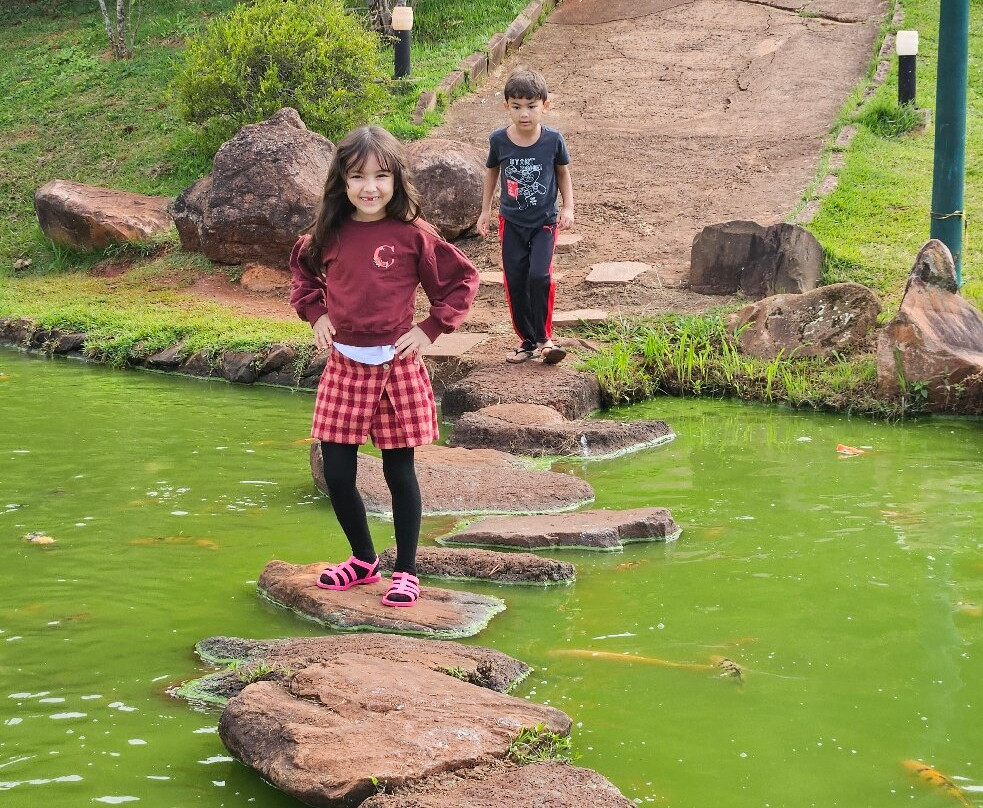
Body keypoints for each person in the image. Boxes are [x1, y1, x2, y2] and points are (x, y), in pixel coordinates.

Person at [289, 125, 479, 608]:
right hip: (344, 369)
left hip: (397, 367)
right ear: (341, 182)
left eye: (380, 176)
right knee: (337, 473)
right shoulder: (327, 234)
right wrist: (317, 314)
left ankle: (407, 571)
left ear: (396, 180)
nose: (369, 187)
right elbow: (303, 274)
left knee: (399, 473)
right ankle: (363, 560)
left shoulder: (413, 235)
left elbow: (461, 281)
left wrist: (430, 329)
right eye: (357, 177)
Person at [476, 67, 575, 365]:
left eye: (531, 107)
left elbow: (563, 174)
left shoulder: (553, 140)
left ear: (545, 105)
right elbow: (492, 172)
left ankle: (545, 339)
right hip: (511, 223)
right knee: (516, 280)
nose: (524, 114)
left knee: (539, 275)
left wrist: (568, 207)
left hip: (544, 221)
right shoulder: (499, 141)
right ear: (506, 106)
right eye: (516, 107)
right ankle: (527, 341)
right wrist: (485, 212)